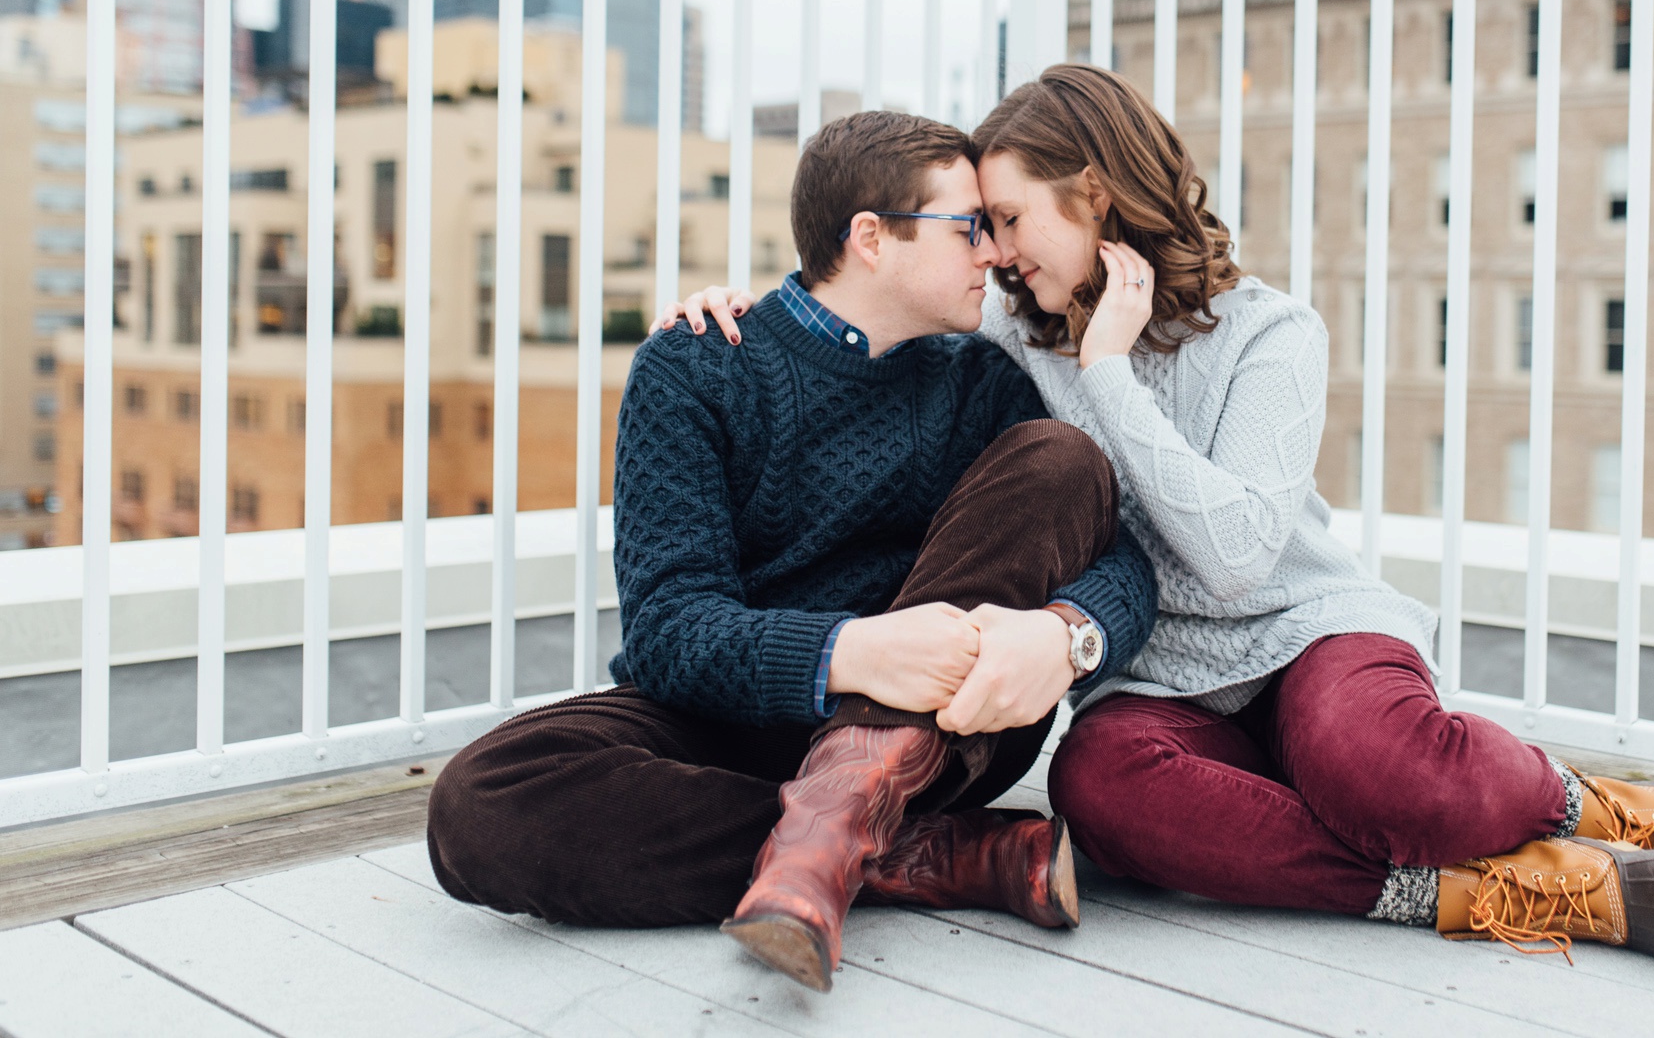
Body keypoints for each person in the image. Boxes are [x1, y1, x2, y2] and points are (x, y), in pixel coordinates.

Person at [664, 64, 1654, 967]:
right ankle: (1478, 891)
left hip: (1303, 629)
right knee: (1102, 799)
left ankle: (1592, 803)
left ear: (1095, 196)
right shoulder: (1011, 333)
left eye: (1010, 218)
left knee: (1380, 772)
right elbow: (873, 294)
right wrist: (744, 307)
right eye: (983, 228)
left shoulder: (1272, 333)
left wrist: (1111, 372)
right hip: (1158, 679)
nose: (998, 253)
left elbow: (1230, 559)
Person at [426, 110, 1157, 994]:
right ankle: (922, 853)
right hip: (726, 721)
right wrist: (854, 650)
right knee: (478, 803)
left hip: (935, 737)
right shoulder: (696, 366)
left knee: (1062, 458)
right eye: (967, 228)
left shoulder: (981, 384)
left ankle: (840, 826)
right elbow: (667, 628)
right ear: (870, 239)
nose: (992, 254)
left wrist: (1068, 635)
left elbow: (1123, 564)